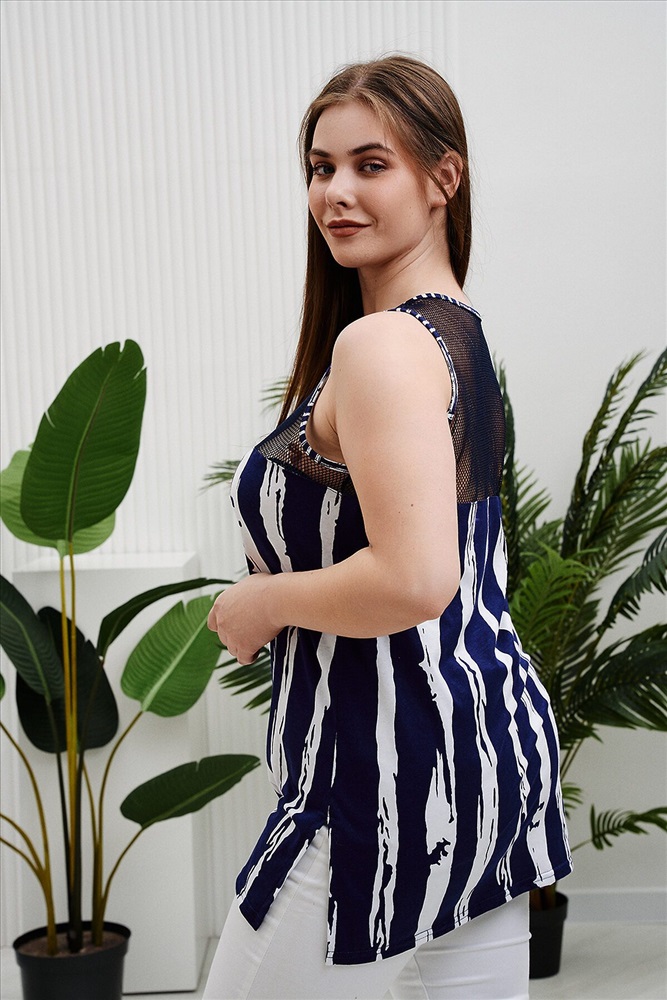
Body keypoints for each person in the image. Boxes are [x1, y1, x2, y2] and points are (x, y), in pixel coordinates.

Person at [204, 55, 572, 1000]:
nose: (335, 192)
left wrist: (261, 603)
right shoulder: (456, 335)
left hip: (377, 779)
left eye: (371, 165)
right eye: (320, 168)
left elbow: (414, 577)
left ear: (442, 177)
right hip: (485, 761)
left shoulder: (382, 345)